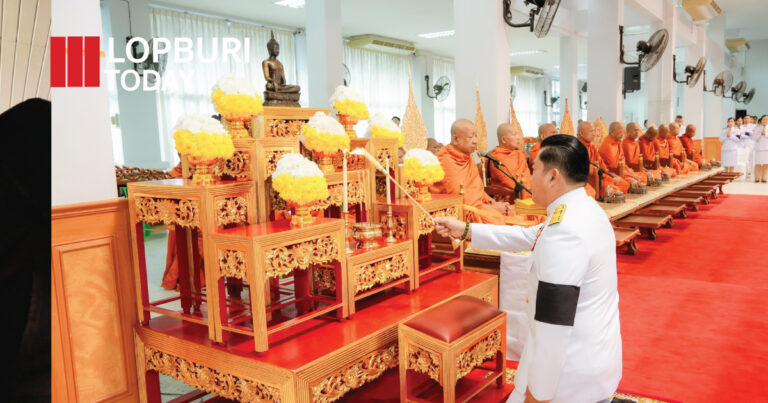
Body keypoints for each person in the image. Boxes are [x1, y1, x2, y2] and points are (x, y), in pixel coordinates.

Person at [434, 135, 622, 403]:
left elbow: (553, 325)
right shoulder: (582, 209)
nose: (530, 178)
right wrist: (464, 229)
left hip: (566, 376)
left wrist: (538, 394)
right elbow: (531, 235)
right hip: (593, 358)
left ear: (552, 177)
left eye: (534, 170)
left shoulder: (565, 231)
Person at [432, 119, 515, 224]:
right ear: (455, 139)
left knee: (517, 212)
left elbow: (477, 190)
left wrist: (492, 202)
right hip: (461, 216)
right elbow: (460, 201)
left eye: (476, 136)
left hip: (480, 209)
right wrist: (491, 208)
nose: (475, 141)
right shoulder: (445, 161)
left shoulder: (468, 158)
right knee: (505, 225)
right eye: (470, 137)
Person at [577, 121, 629, 198]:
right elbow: (583, 169)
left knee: (624, 183)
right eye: (591, 131)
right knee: (607, 188)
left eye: (594, 131)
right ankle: (611, 192)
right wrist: (605, 175)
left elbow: (601, 164)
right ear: (581, 133)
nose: (594, 134)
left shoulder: (592, 147)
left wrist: (610, 175)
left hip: (600, 176)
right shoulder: (577, 148)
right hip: (589, 180)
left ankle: (612, 192)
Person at [489, 123, 532, 199]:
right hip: (508, 198)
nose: (518, 138)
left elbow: (526, 176)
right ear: (503, 139)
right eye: (514, 135)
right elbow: (509, 183)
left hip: (527, 192)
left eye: (518, 134)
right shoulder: (496, 158)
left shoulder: (519, 154)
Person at [598, 121, 647, 186]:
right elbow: (614, 168)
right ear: (612, 132)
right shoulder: (608, 145)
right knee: (627, 183)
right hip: (613, 174)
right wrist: (631, 174)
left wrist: (631, 173)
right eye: (620, 132)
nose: (622, 135)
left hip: (623, 171)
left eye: (623, 132)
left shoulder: (618, 143)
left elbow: (623, 164)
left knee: (642, 176)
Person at [751, 115, 768, 182]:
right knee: (758, 163)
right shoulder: (757, 128)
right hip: (759, 148)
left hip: (767, 148)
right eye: (764, 119)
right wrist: (760, 134)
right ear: (761, 120)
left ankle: (764, 178)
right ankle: (757, 177)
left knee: (766, 163)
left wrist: (765, 134)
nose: (765, 121)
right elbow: (754, 138)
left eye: (767, 119)